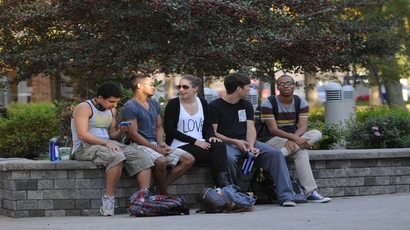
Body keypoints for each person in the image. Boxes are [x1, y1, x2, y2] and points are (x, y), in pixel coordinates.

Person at [209, 72, 297, 207]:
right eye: (248, 87)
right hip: (227, 143)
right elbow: (214, 133)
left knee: (275, 154)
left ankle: (286, 196)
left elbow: (250, 128)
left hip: (247, 141)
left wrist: (250, 146)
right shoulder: (215, 106)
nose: (250, 90)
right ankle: (233, 196)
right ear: (239, 89)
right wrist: (235, 142)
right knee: (229, 158)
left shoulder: (246, 104)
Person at [71, 82, 154, 216]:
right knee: (116, 156)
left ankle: (143, 199)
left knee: (142, 156)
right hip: (84, 147)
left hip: (107, 143)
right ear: (99, 98)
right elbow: (82, 134)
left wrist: (120, 131)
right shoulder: (84, 107)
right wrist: (107, 143)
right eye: (111, 101)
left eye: (116, 102)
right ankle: (108, 200)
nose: (114, 105)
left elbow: (111, 134)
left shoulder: (111, 110)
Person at [259, 74, 331, 203]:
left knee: (316, 133)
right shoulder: (268, 103)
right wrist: (295, 139)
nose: (286, 86)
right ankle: (311, 192)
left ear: (294, 86)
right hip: (271, 139)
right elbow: (273, 129)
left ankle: (280, 155)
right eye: (282, 84)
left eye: (289, 83)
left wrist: (294, 139)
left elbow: (303, 126)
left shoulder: (300, 102)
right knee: (302, 151)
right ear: (277, 87)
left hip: (292, 138)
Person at [122, 73, 195, 195]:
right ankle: (165, 193)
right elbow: (133, 134)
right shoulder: (129, 107)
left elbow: (159, 127)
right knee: (161, 161)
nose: (153, 87)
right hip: (138, 145)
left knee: (189, 159)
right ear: (139, 86)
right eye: (150, 84)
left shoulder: (154, 104)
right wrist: (156, 149)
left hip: (155, 143)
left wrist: (161, 142)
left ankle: (159, 189)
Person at [164, 75, 230, 188]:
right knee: (214, 158)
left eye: (185, 87)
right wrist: (194, 141)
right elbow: (169, 130)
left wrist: (211, 136)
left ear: (195, 88)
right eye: (178, 87)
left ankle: (222, 184)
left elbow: (208, 125)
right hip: (180, 143)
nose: (181, 90)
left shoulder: (203, 103)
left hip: (201, 142)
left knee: (219, 146)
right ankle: (222, 187)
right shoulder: (173, 104)